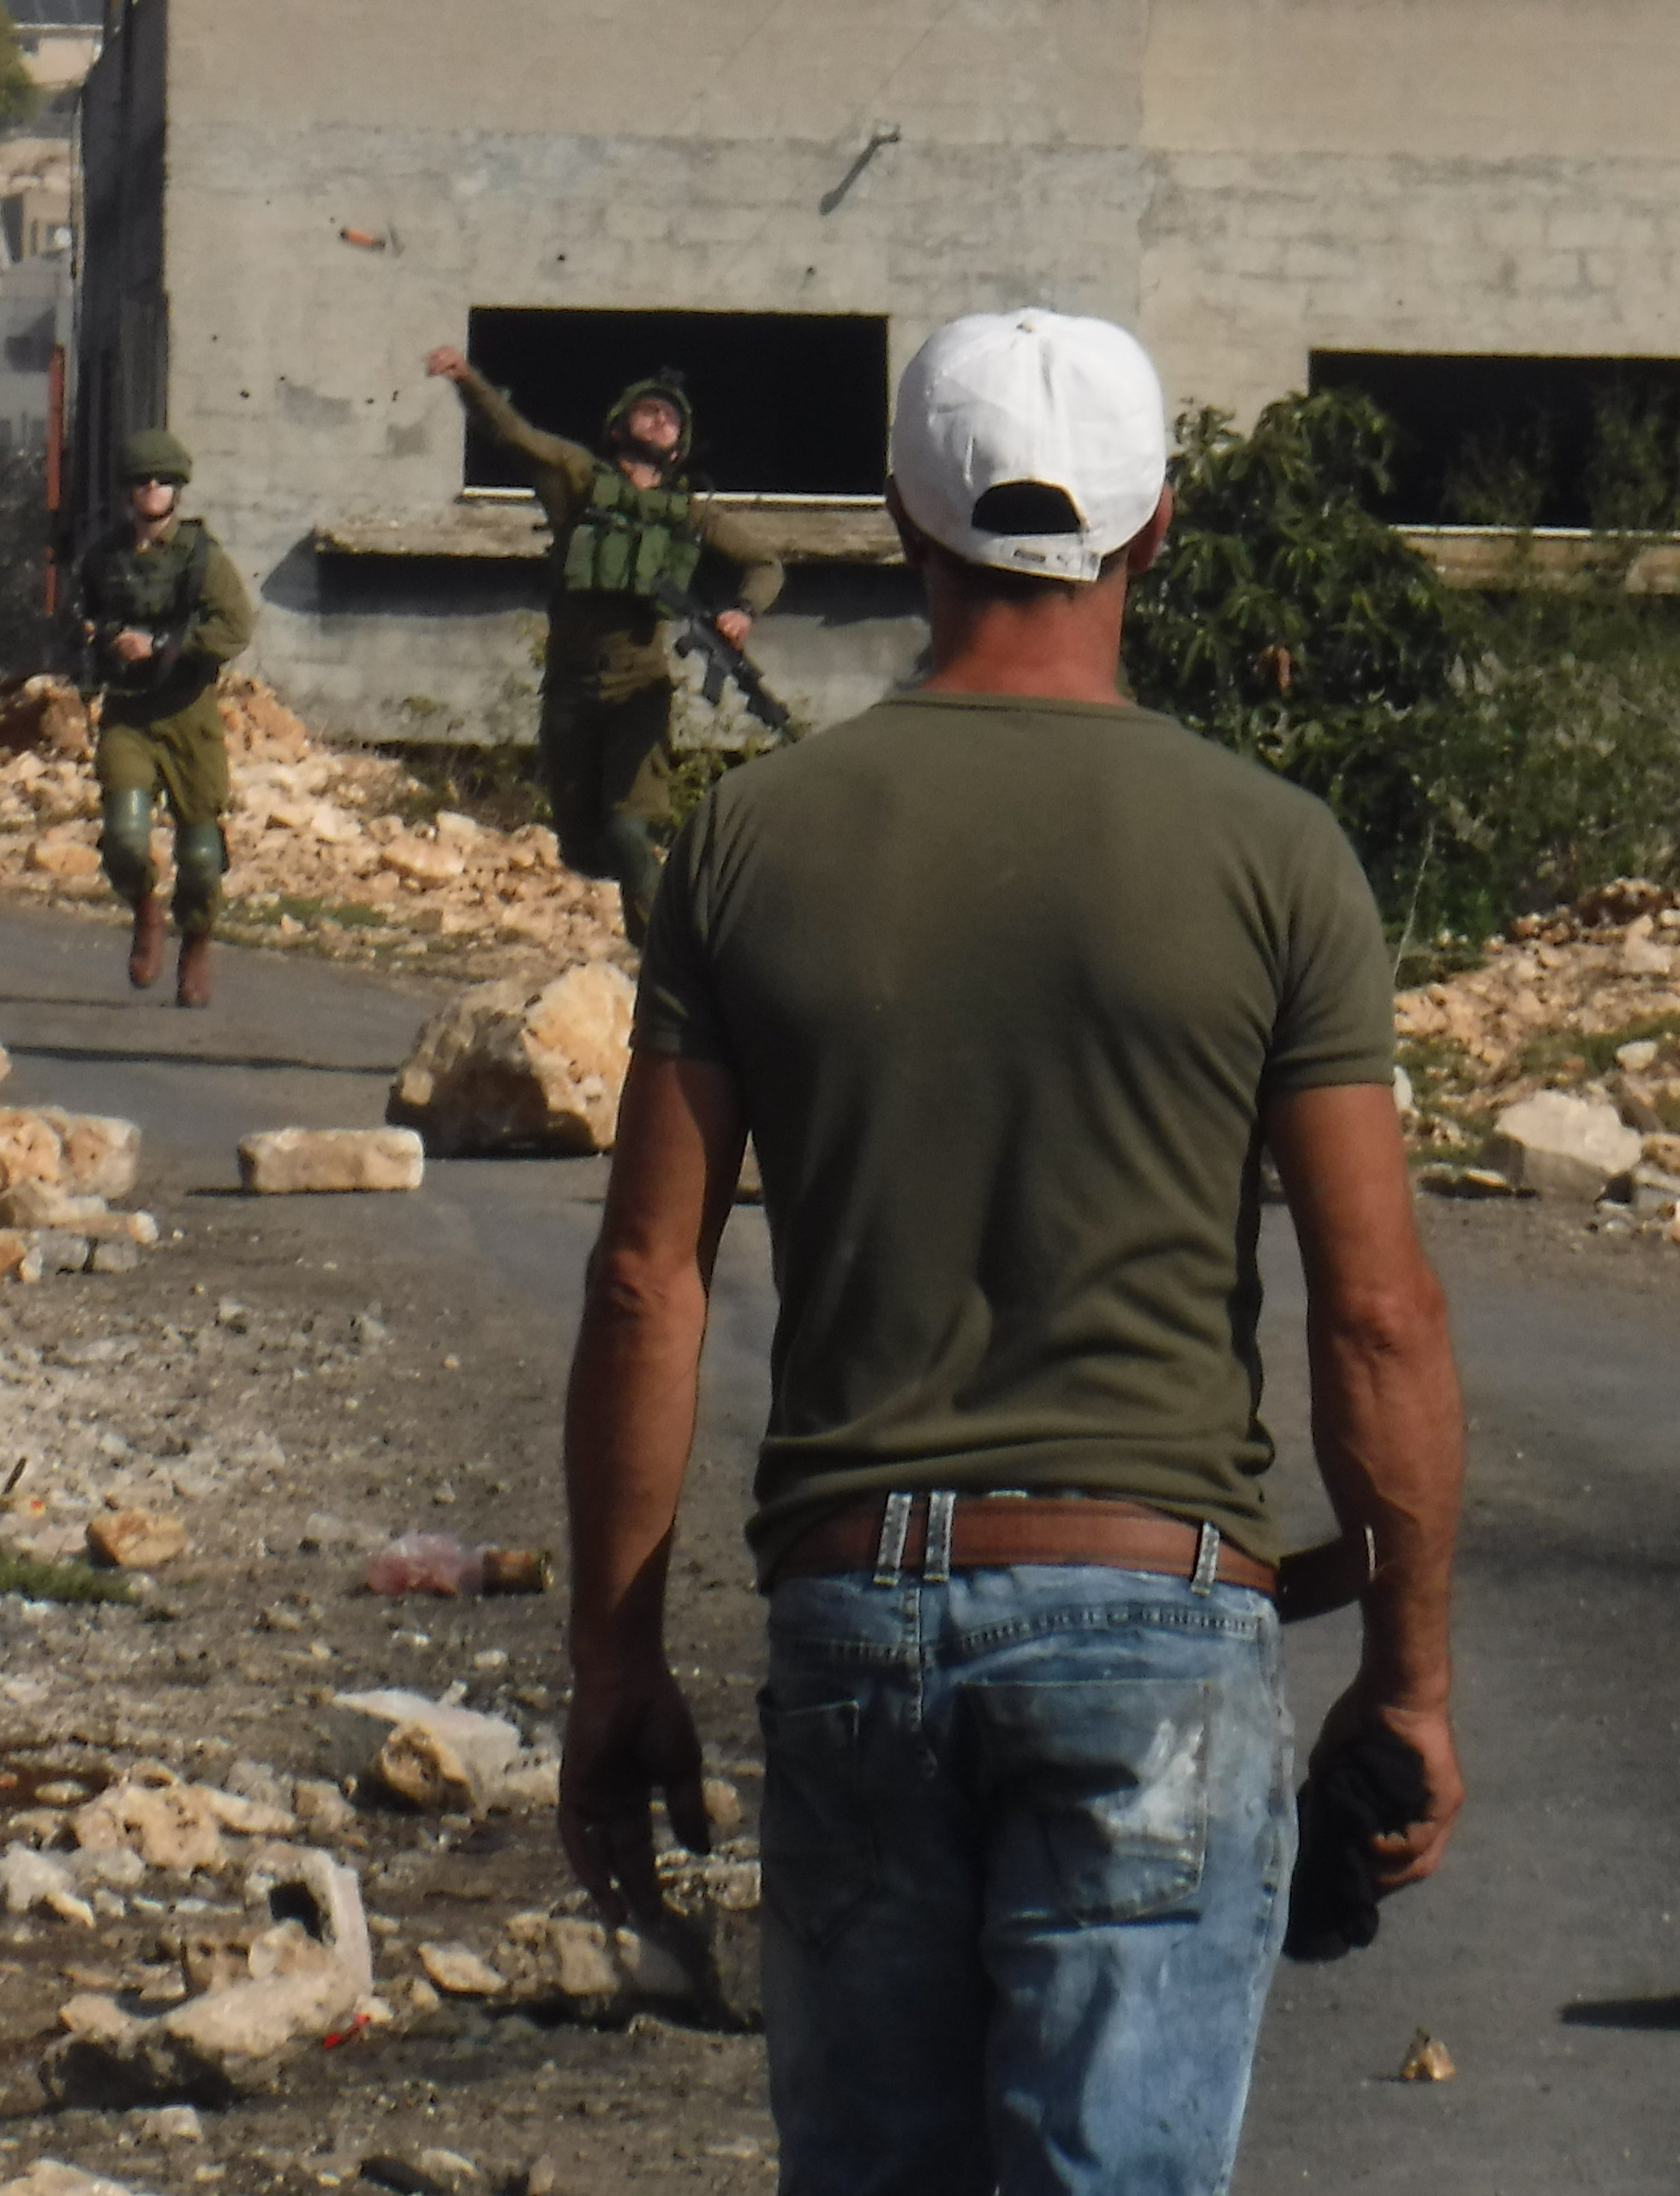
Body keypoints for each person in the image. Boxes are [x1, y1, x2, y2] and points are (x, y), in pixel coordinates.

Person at [559, 308, 1465, 2193]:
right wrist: (1411, 1679)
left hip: (857, 1607)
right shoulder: (1280, 857)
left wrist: (615, 1655)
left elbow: (652, 1279)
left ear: (908, 520)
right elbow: (1374, 1312)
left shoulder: (746, 843)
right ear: (1155, 533)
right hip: (1156, 1624)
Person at [424, 346, 784, 945]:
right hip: (569, 686)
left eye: (671, 418)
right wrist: (468, 380)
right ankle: (675, 914)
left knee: (626, 831)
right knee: (585, 849)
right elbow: (512, 433)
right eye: (648, 411)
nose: (660, 420)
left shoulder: (689, 514)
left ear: (680, 444)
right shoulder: (579, 479)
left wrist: (742, 612)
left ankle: (667, 953)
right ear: (619, 426)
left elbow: (765, 563)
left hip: (637, 686)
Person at [73, 428, 256, 1008]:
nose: (153, 489)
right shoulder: (103, 559)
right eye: (142, 481)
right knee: (125, 839)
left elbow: (234, 627)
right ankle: (147, 912)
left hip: (188, 714)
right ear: (129, 490)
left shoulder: (203, 558)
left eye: (164, 481)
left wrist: (162, 647)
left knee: (201, 859)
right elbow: (77, 622)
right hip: (128, 713)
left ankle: (196, 942)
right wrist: (98, 643)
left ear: (178, 488)